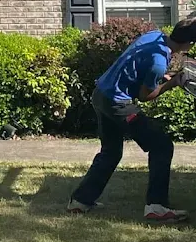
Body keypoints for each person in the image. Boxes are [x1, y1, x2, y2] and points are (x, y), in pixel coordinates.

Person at [67, 15, 196, 223]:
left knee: (110, 152)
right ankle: (156, 206)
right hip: (118, 103)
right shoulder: (159, 62)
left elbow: (137, 67)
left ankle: (80, 202)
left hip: (101, 94)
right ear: (189, 44)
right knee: (161, 145)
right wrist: (174, 82)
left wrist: (164, 76)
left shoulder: (154, 36)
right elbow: (146, 96)